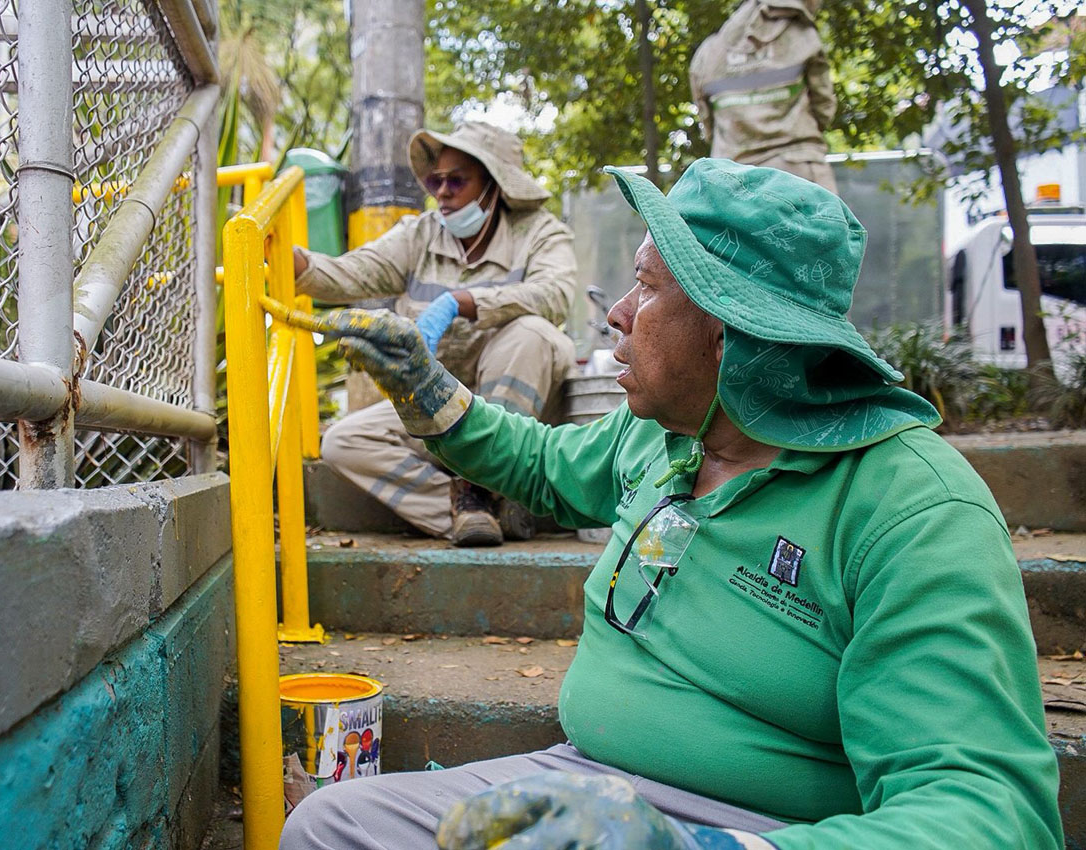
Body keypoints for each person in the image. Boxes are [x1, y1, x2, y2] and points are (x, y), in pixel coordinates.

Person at [272, 159, 1063, 849]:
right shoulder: (656, 436)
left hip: (767, 830)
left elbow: (987, 811)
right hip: (582, 787)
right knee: (328, 826)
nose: (614, 312)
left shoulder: (911, 509)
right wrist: (427, 392)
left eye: (646, 288)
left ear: (731, 333)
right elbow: (544, 465)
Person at [292, 120, 577, 547]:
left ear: (493, 185)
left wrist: (463, 301)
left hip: (519, 410)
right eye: (434, 180)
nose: (441, 192)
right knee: (343, 442)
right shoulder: (419, 234)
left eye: (456, 181)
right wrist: (295, 263)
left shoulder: (539, 231)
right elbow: (355, 271)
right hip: (441, 401)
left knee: (532, 334)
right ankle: (479, 511)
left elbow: (556, 295)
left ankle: (490, 485)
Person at [690, 0, 838, 192]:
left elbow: (707, 124)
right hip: (799, 171)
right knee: (826, 221)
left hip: (732, 180)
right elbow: (824, 107)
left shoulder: (708, 52)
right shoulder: (803, 38)